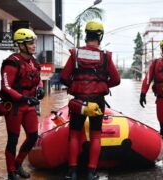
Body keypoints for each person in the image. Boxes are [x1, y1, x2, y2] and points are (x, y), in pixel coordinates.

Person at [61, 20, 120, 180]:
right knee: (95, 136)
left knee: (74, 135)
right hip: (97, 101)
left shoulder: (75, 54)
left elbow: (64, 76)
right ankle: (91, 172)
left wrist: (76, 85)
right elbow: (116, 79)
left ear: (86, 35)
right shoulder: (105, 56)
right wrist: (101, 85)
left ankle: (71, 172)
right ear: (100, 36)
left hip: (78, 101)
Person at [0, 28, 44, 180]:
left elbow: (39, 80)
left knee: (33, 136)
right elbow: (6, 87)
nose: (34, 45)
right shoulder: (12, 62)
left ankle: (18, 163)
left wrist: (40, 89)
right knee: (13, 139)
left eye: (34, 42)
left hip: (30, 105)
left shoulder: (34, 62)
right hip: (15, 106)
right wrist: (24, 99)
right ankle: (11, 171)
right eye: (30, 43)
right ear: (22, 45)